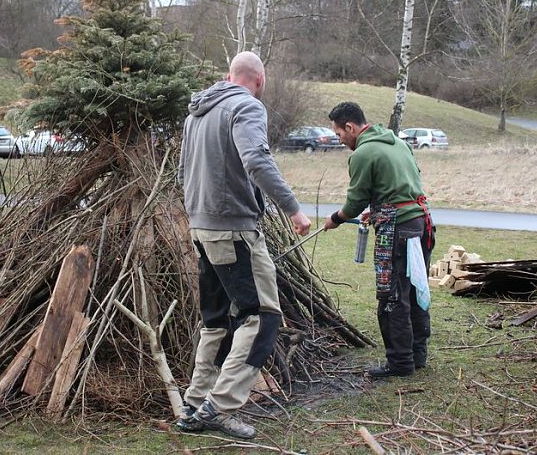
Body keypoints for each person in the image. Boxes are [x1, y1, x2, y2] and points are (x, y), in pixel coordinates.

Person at [176, 51, 312, 439]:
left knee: (216, 318)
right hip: (233, 231)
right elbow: (256, 159)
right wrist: (293, 210)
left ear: (228, 75)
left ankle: (194, 402)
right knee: (262, 318)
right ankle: (218, 408)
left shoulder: (195, 114)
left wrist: (198, 216)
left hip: (200, 229)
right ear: (260, 82)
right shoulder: (247, 107)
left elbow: (182, 173)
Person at [322, 102, 435, 378]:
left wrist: (336, 218)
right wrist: (378, 210)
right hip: (421, 224)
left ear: (350, 127)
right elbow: (403, 188)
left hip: (397, 231)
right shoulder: (397, 142)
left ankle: (399, 363)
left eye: (339, 135)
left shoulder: (363, 153)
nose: (341, 141)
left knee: (392, 296)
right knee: (413, 290)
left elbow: (354, 201)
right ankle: (417, 355)